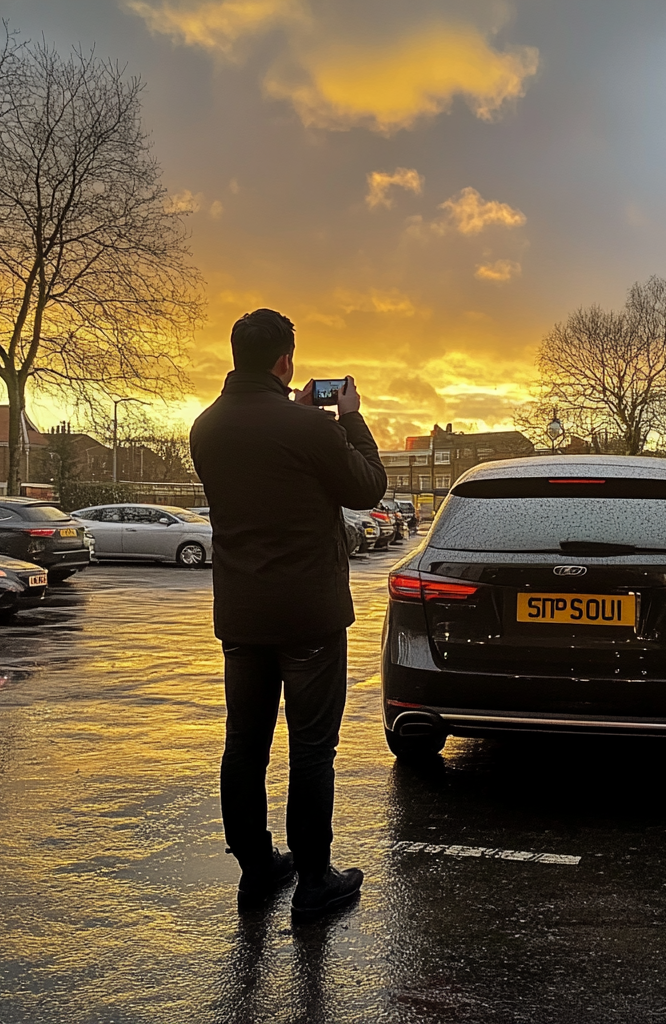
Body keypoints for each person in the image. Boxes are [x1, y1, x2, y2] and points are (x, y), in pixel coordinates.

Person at [190, 308, 387, 919]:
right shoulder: (312, 428)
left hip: (242, 616)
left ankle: (256, 870)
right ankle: (313, 880)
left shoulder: (206, 427)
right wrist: (349, 421)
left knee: (244, 744)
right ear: (286, 361)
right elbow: (368, 487)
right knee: (311, 748)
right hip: (308, 616)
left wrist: (302, 416)